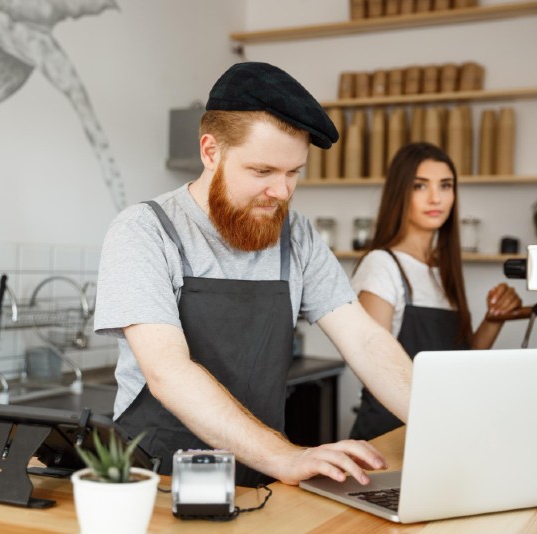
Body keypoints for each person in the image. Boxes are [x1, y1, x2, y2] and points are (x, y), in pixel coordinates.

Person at [94, 61, 415, 488]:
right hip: (157, 480)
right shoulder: (145, 231)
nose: (281, 192)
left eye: (293, 173)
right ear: (211, 151)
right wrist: (285, 456)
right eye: (262, 171)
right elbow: (168, 371)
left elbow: (365, 339)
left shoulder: (296, 235)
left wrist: (440, 424)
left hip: (257, 474)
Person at [349, 142, 523, 441]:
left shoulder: (443, 270)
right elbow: (374, 368)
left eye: (446, 186)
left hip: (438, 430)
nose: (436, 198)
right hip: (387, 437)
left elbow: (463, 362)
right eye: (420, 186)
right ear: (400, 193)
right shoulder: (382, 265)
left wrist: (494, 320)